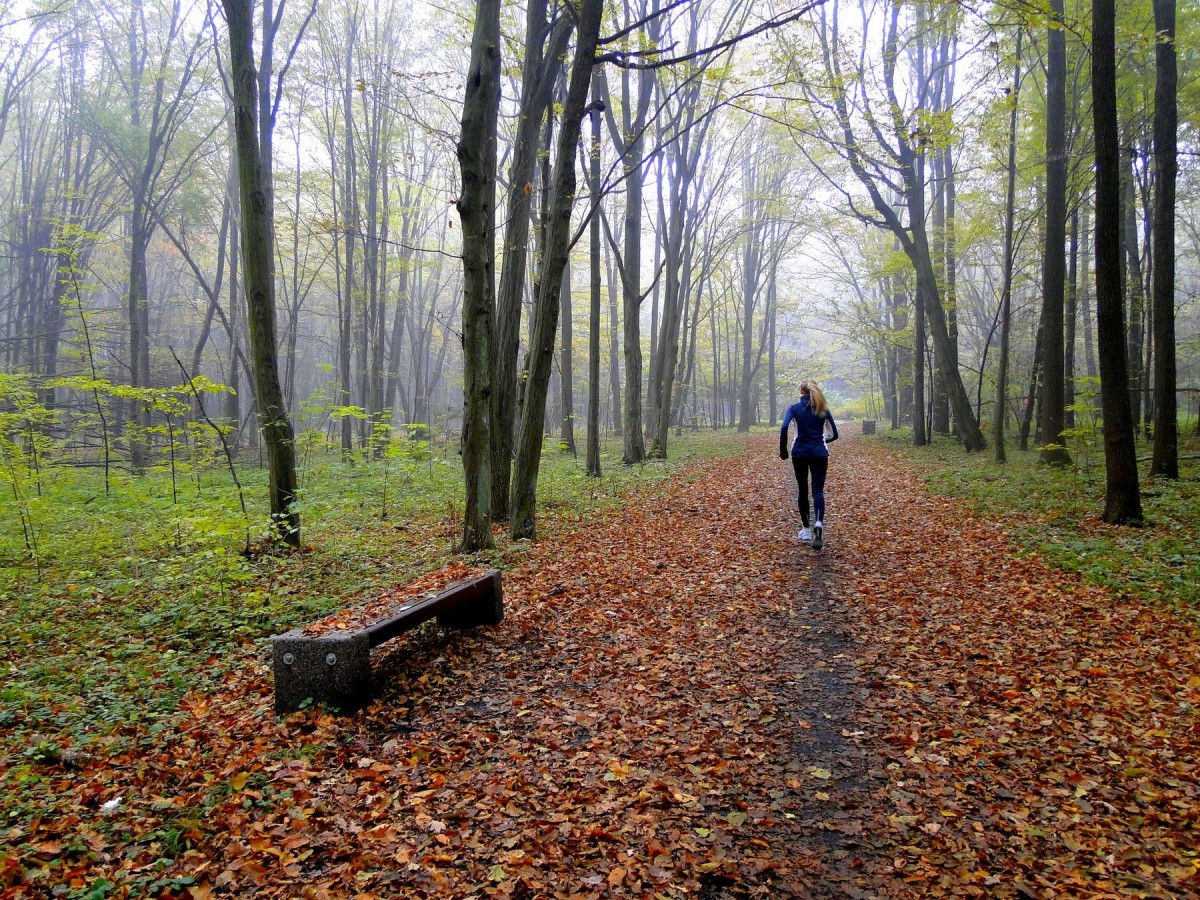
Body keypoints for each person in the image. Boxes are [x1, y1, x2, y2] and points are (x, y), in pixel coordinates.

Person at [779, 380, 839, 549]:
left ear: (801, 392)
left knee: (803, 490)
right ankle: (818, 524)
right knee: (818, 491)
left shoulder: (794, 408)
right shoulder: (823, 408)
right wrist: (821, 441)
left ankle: (806, 530)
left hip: (799, 453)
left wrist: (783, 450)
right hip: (820, 453)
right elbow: (834, 434)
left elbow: (784, 428)